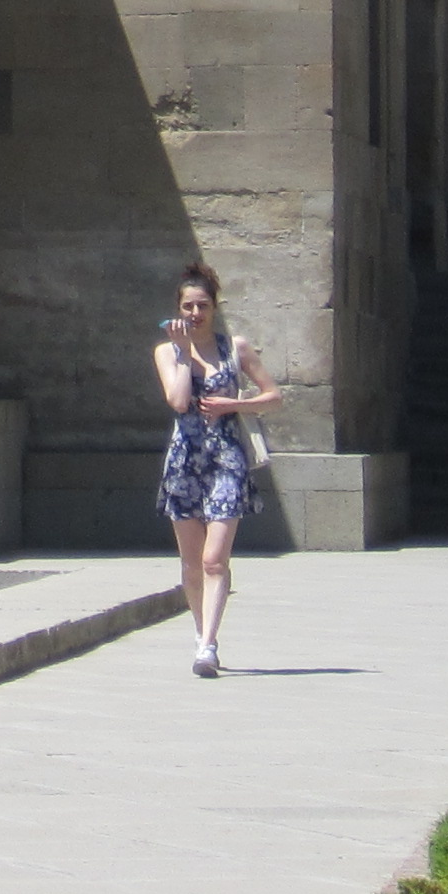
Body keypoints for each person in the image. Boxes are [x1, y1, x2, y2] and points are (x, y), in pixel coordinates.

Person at [154, 261, 280, 679]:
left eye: (203, 306)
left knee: (213, 560)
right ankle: (200, 634)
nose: (195, 314)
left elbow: (273, 396)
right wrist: (186, 354)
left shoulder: (235, 348)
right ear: (178, 309)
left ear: (214, 307)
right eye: (188, 306)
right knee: (191, 564)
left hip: (227, 459)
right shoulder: (167, 352)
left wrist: (234, 404)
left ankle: (208, 644)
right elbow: (177, 401)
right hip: (185, 461)